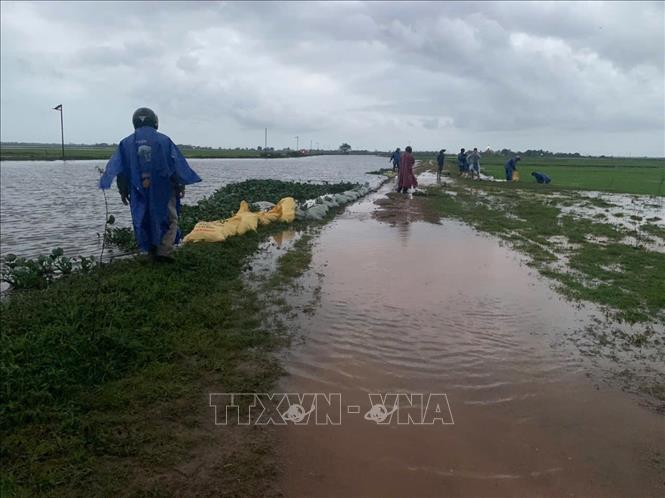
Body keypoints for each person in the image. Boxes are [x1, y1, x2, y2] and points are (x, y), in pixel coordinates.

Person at [99, 107, 202, 261]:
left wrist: (123, 191)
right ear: (155, 122)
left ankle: (149, 251)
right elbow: (175, 166)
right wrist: (180, 185)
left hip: (138, 190)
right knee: (169, 218)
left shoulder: (126, 143)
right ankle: (164, 251)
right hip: (164, 190)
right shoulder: (164, 140)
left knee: (143, 218)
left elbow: (120, 170)